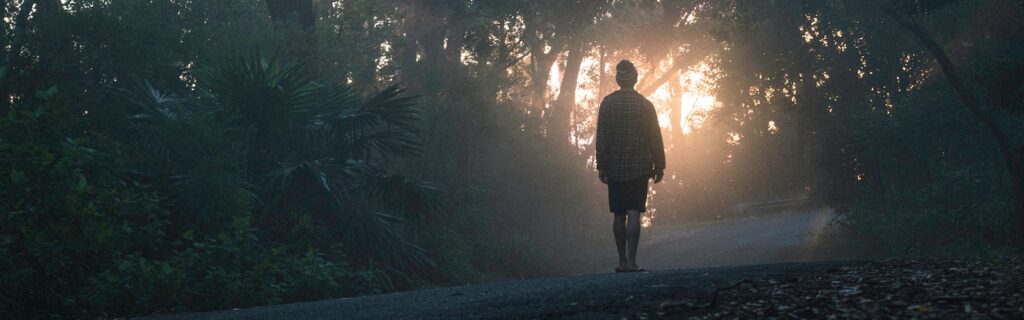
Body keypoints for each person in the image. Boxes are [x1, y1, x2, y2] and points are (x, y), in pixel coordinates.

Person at [595, 60, 666, 273]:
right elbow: (655, 136)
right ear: (635, 79)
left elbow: (602, 137)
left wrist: (602, 165)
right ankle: (633, 262)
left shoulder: (607, 104)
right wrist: (659, 164)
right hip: (640, 165)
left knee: (618, 213)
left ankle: (621, 261)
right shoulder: (645, 105)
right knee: (634, 211)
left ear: (617, 79)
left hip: (615, 165)